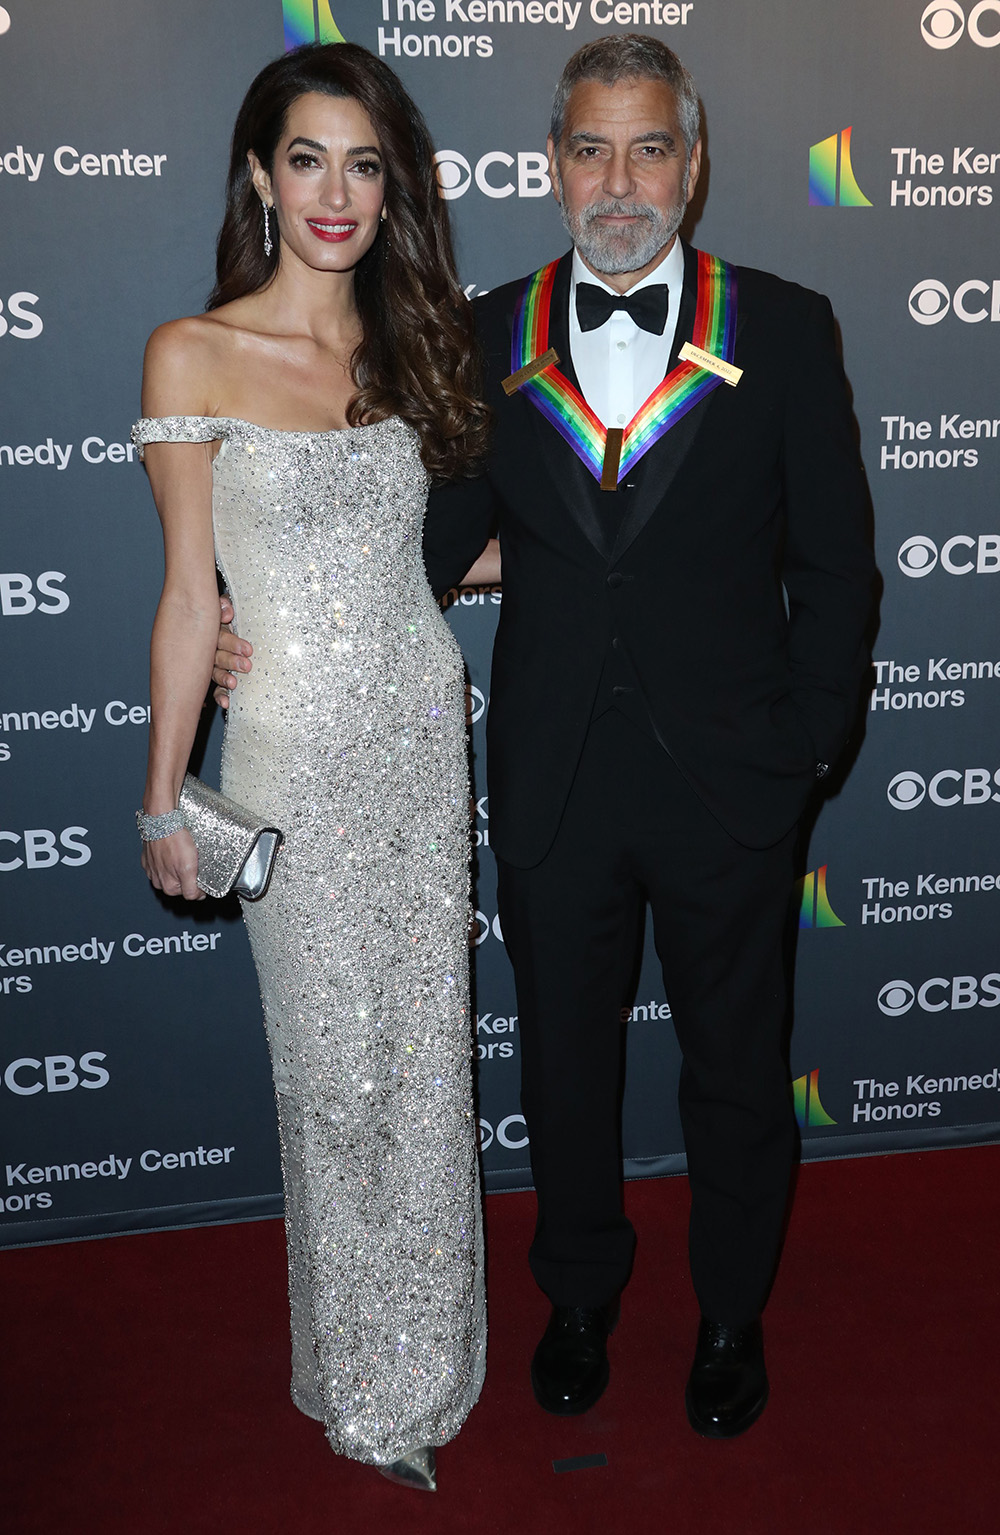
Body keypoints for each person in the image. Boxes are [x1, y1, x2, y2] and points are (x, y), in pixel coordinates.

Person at [215, 34, 875, 1440]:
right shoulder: (484, 331)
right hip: (554, 778)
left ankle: (728, 1314)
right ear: (553, 165)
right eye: (590, 149)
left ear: (691, 169)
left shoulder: (789, 325)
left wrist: (809, 744)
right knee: (563, 1065)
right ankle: (579, 1297)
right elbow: (417, 548)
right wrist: (256, 613)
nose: (618, 180)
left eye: (649, 148)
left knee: (737, 1073)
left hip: (734, 787)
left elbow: (836, 570)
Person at [132, 43, 492, 1491]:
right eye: (306, 159)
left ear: (390, 181)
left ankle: (427, 1367)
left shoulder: (421, 345)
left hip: (419, 742)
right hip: (291, 760)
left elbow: (440, 556)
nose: (335, 192)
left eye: (363, 162)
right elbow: (184, 598)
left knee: (425, 1066)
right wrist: (164, 792)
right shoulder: (194, 352)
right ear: (261, 178)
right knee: (336, 1076)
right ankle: (365, 1375)